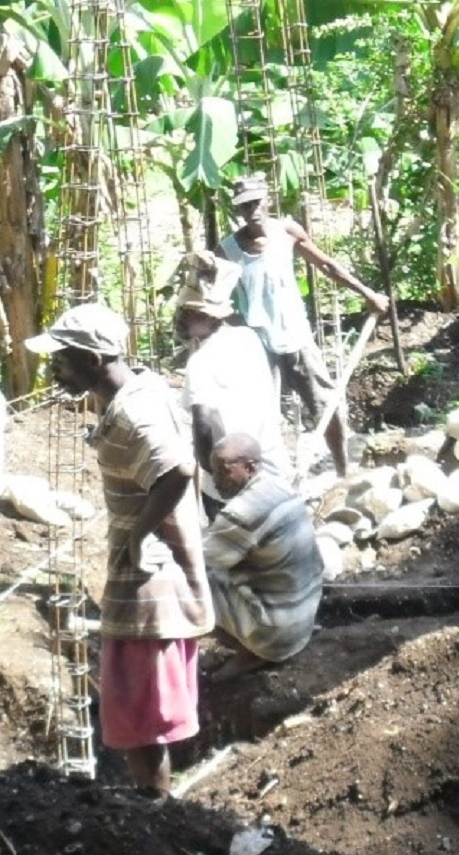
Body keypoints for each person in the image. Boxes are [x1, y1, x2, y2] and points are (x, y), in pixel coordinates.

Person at [27, 303, 212, 795]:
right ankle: (157, 806)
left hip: (149, 580)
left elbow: (176, 469)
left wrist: (137, 534)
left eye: (62, 359)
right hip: (155, 574)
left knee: (141, 714)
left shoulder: (133, 411)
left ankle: (155, 811)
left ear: (92, 359)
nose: (54, 369)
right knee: (144, 711)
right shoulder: (140, 392)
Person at [219, 173, 390, 480]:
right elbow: (215, 297)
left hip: (296, 336)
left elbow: (326, 265)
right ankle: (272, 481)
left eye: (257, 202)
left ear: (268, 200)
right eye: (245, 206)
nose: (252, 210)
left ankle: (342, 470)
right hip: (259, 347)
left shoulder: (286, 232)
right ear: (238, 211)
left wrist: (367, 294)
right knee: (262, 418)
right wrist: (236, 326)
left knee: (326, 405)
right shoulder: (228, 250)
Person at [202, 433, 325, 679]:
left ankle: (254, 652)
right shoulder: (279, 485)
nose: (214, 480)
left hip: (278, 633)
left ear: (250, 467)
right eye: (212, 470)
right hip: (303, 621)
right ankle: (256, 645)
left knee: (187, 587)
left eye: (223, 471)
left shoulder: (242, 512)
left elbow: (198, 559)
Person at [176, 250, 287, 510]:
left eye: (186, 313)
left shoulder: (201, 361)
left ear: (207, 317)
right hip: (268, 468)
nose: (179, 319)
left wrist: (213, 473)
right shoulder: (247, 338)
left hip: (231, 480)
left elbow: (201, 426)